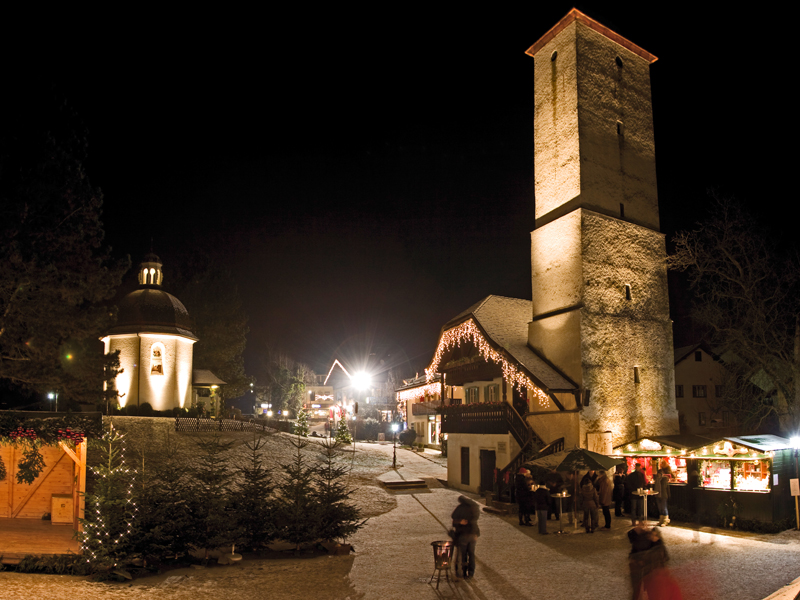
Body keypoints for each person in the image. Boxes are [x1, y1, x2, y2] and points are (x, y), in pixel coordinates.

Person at [628, 525, 681, 600]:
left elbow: (664, 558)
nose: (653, 537)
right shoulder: (647, 543)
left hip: (655, 575)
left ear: (659, 536)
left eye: (656, 535)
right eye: (652, 534)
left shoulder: (659, 547)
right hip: (649, 574)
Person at [451, 495, 480, 579]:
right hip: (472, 534)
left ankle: (463, 572)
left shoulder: (460, 508)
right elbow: (474, 522)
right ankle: (471, 573)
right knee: (471, 554)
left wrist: (459, 521)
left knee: (463, 554)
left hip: (463, 534)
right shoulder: (474, 508)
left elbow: (453, 518)